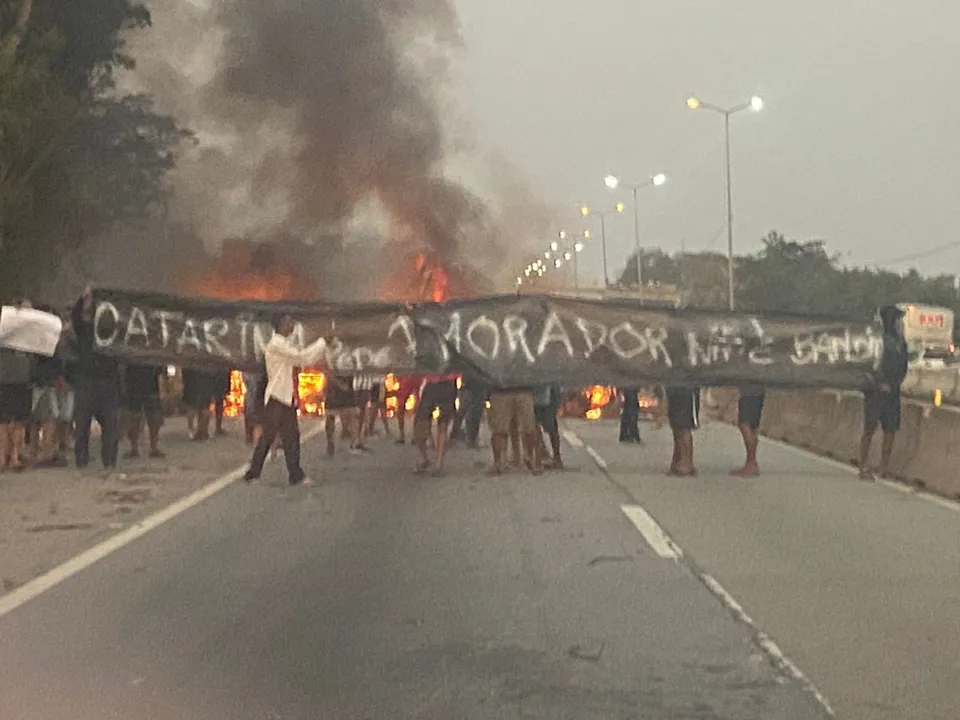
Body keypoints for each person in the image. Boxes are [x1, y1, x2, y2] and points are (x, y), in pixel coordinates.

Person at [243, 315, 327, 486]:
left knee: (290, 436)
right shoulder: (276, 345)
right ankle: (255, 473)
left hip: (284, 396)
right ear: (281, 326)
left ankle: (293, 474)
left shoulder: (283, 344)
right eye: (289, 323)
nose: (292, 326)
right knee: (270, 436)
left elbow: (301, 359)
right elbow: (303, 357)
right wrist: (322, 343)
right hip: (277, 396)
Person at [71, 287, 121, 473]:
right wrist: (82, 299)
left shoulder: (116, 337)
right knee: (82, 423)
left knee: (111, 425)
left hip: (108, 382)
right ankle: (81, 460)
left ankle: (109, 461)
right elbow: (76, 318)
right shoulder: (85, 331)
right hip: (87, 381)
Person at [859, 305, 909, 481]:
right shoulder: (876, 339)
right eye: (897, 319)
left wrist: (894, 384)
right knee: (870, 427)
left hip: (893, 392)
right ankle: (863, 464)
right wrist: (879, 383)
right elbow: (868, 364)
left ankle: (883, 467)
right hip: (875, 391)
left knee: (890, 429)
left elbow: (904, 367)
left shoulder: (901, 341)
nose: (899, 322)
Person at [0, 302, 34, 471]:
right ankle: (2, 457)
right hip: (5, 380)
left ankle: (15, 456)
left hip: (23, 380)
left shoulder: (31, 333)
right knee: (4, 421)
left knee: (20, 421)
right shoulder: (5, 328)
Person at [487, 385, 541, 475]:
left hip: (504, 390)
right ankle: (530, 460)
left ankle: (498, 463)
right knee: (528, 427)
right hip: (518, 389)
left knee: (500, 429)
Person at [413, 373, 458, 475]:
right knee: (420, 423)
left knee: (443, 424)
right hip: (432, 383)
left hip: (447, 384)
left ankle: (438, 465)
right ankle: (425, 458)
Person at [122, 363, 165, 459]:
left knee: (135, 417)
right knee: (152, 419)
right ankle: (152, 448)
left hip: (134, 384)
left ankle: (135, 449)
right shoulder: (152, 351)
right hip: (149, 385)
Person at [731, 385, 765, 477]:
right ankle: (751, 463)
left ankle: (751, 463)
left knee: (744, 425)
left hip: (749, 394)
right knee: (752, 427)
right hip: (757, 393)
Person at [666, 384, 700, 477]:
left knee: (684, 425)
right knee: (675, 424)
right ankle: (677, 459)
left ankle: (687, 462)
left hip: (688, 386)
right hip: (673, 384)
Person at [324, 374, 359, 456]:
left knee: (352, 415)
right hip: (333, 390)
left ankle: (354, 442)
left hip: (346, 385)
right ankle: (330, 443)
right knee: (330, 416)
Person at [534, 383, 563, 469]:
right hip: (532, 397)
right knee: (533, 427)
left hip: (548, 399)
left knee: (552, 428)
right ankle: (540, 456)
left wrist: (557, 402)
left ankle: (557, 457)